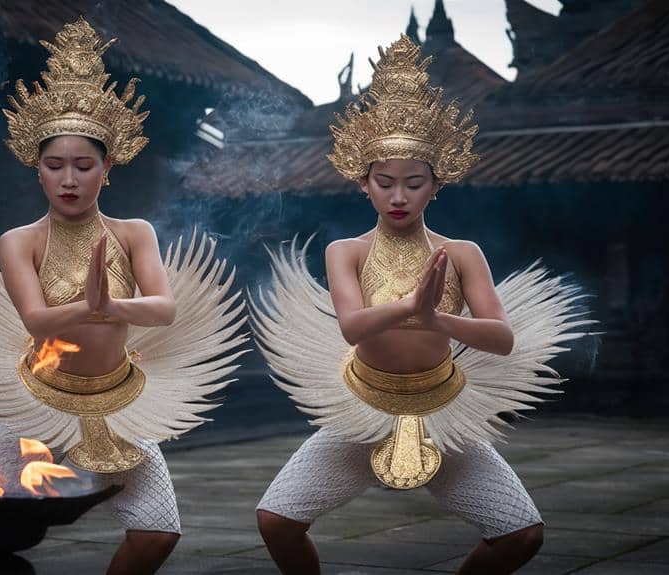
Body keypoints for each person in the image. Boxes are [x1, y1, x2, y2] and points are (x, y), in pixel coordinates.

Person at [251, 35, 593, 575]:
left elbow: (500, 338)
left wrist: (436, 318)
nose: (399, 196)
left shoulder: (461, 254)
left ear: (437, 185)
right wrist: (411, 302)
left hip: (443, 407)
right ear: (364, 184)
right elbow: (352, 326)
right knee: (276, 522)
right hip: (360, 405)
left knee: (522, 535)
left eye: (414, 183)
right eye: (385, 182)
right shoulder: (347, 252)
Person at [0, 17, 246, 575]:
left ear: (106, 169)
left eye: (83, 166)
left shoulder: (134, 234)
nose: (69, 179)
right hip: (36, 398)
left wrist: (111, 306)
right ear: (37, 171)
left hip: (118, 401)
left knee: (157, 533)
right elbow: (38, 321)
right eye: (54, 165)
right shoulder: (20, 241)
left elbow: (163, 308)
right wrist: (88, 305)